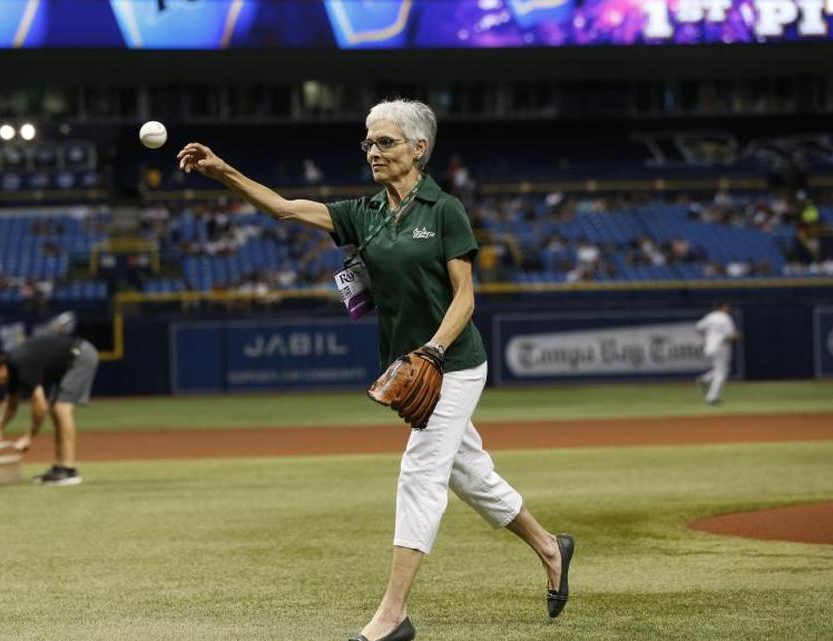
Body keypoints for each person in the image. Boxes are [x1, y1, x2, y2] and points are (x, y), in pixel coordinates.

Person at [176, 98, 574, 641]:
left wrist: (433, 351)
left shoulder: (444, 210)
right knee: (469, 474)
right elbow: (285, 209)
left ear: (419, 148)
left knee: (420, 472)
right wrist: (222, 170)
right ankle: (551, 547)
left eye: (385, 142)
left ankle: (392, 615)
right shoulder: (363, 214)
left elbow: (465, 298)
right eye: (368, 142)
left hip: (454, 363)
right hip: (408, 366)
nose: (373, 151)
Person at [0, 332, 98, 486]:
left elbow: (40, 406)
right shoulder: (12, 368)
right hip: (67, 362)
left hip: (79, 356)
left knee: (61, 408)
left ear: (0, 369)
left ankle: (69, 470)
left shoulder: (20, 364)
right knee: (56, 409)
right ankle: (60, 467)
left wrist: (29, 437)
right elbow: (11, 404)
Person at [696, 300, 738, 406]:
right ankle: (712, 398)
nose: (728, 309)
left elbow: (698, 327)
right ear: (723, 307)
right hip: (722, 346)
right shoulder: (725, 317)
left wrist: (705, 337)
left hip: (710, 347)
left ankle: (705, 379)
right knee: (721, 373)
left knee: (721, 370)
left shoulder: (710, 316)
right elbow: (730, 334)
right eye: (727, 307)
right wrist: (736, 336)